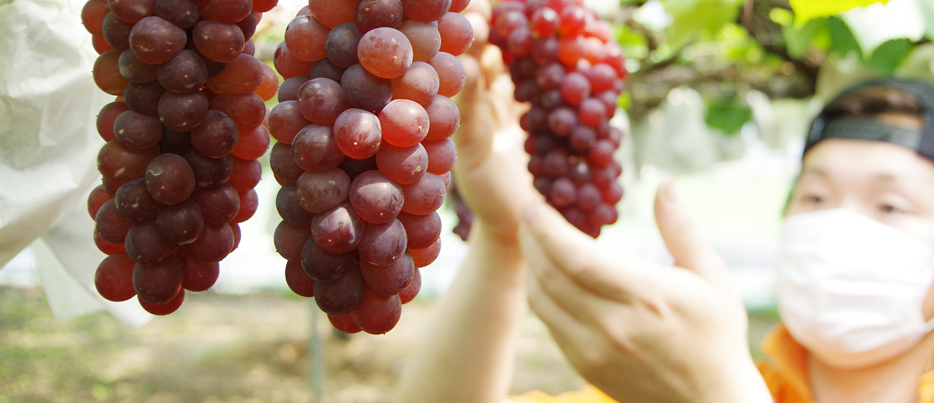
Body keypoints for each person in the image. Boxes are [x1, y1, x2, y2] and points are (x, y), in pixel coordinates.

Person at [394, 25, 934, 403]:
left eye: (891, 204)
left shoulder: (712, 384)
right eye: (815, 198)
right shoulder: (724, 384)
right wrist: (503, 234)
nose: (835, 228)